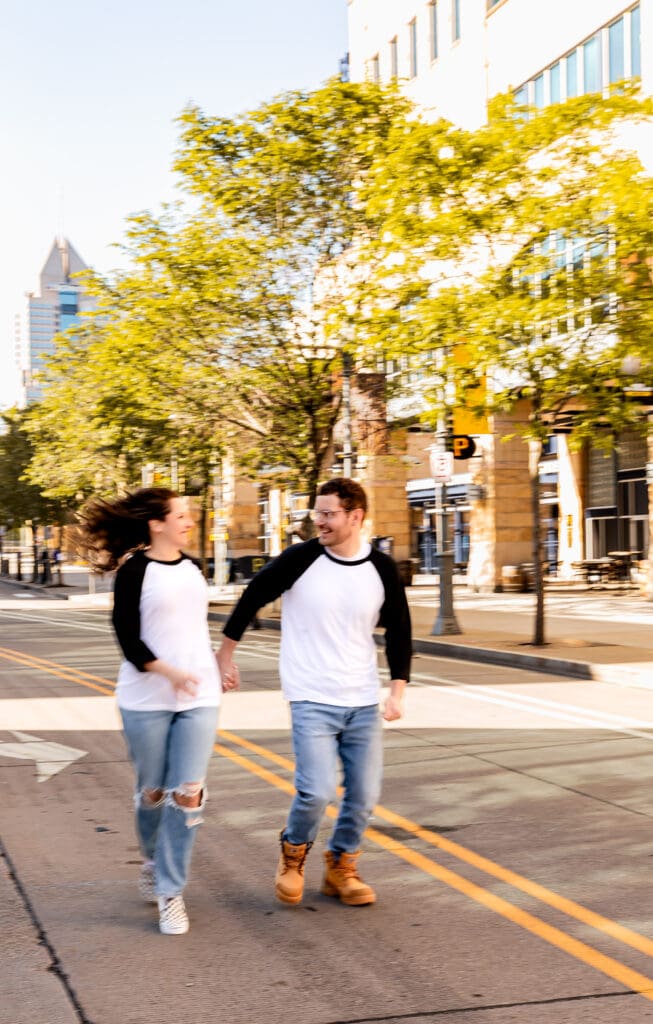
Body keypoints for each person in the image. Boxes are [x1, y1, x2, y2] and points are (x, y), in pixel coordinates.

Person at [217, 477, 411, 907]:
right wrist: (224, 656)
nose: (319, 522)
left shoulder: (380, 568)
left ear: (355, 516)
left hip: (361, 698)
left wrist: (397, 690)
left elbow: (400, 628)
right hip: (310, 695)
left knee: (363, 795)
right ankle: (293, 854)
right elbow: (252, 598)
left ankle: (341, 866)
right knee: (317, 790)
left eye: (328, 514)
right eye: (316, 514)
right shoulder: (300, 559)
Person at [80, 487, 238, 935]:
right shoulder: (134, 572)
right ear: (157, 523)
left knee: (187, 791)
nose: (189, 522)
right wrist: (171, 673)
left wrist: (217, 663)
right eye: (182, 515)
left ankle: (172, 891)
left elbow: (189, 630)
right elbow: (128, 638)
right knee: (153, 791)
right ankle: (151, 859)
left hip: (199, 695)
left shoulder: (193, 570)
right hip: (146, 697)